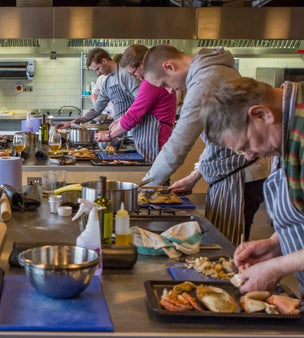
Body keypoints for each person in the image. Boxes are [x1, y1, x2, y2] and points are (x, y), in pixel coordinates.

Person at [141, 44, 268, 245]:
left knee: (226, 250)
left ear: (169, 66)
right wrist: (195, 176)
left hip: (239, 177)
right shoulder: (213, 70)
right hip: (230, 172)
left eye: (164, 82)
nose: (170, 89)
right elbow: (218, 138)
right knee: (221, 244)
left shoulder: (205, 80)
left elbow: (178, 144)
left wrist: (143, 189)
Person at [200, 77, 304, 294]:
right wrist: (277, 243)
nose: (248, 157)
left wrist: (275, 268)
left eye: (247, 145)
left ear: (261, 114)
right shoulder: (284, 124)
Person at [96, 44, 177, 162]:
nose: (134, 76)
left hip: (156, 142)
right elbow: (137, 106)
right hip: (153, 143)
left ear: (142, 64)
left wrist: (109, 135)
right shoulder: (150, 81)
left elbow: (134, 115)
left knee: (156, 179)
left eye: (133, 72)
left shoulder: (152, 82)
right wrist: (120, 120)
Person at [57, 48, 139, 129]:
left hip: (134, 127)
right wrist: (72, 122)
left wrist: (123, 119)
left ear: (104, 61)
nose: (98, 73)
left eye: (98, 69)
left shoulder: (125, 74)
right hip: (120, 129)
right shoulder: (107, 82)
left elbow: (140, 101)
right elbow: (96, 110)